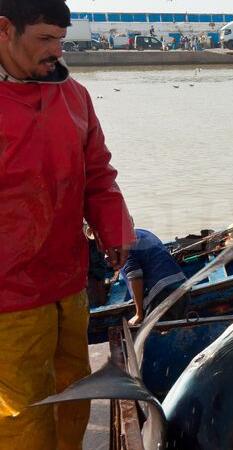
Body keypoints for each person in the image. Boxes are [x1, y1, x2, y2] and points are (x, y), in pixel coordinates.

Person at [0, 1, 135, 448]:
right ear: (4, 29)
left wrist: (113, 228)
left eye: (61, 39)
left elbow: (97, 172)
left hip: (67, 281)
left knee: (74, 393)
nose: (57, 50)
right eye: (44, 38)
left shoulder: (74, 96)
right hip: (8, 297)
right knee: (22, 415)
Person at [122, 229, 189, 326]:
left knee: (156, 332)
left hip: (162, 294)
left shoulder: (123, 245)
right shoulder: (143, 232)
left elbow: (135, 278)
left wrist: (139, 314)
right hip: (182, 285)